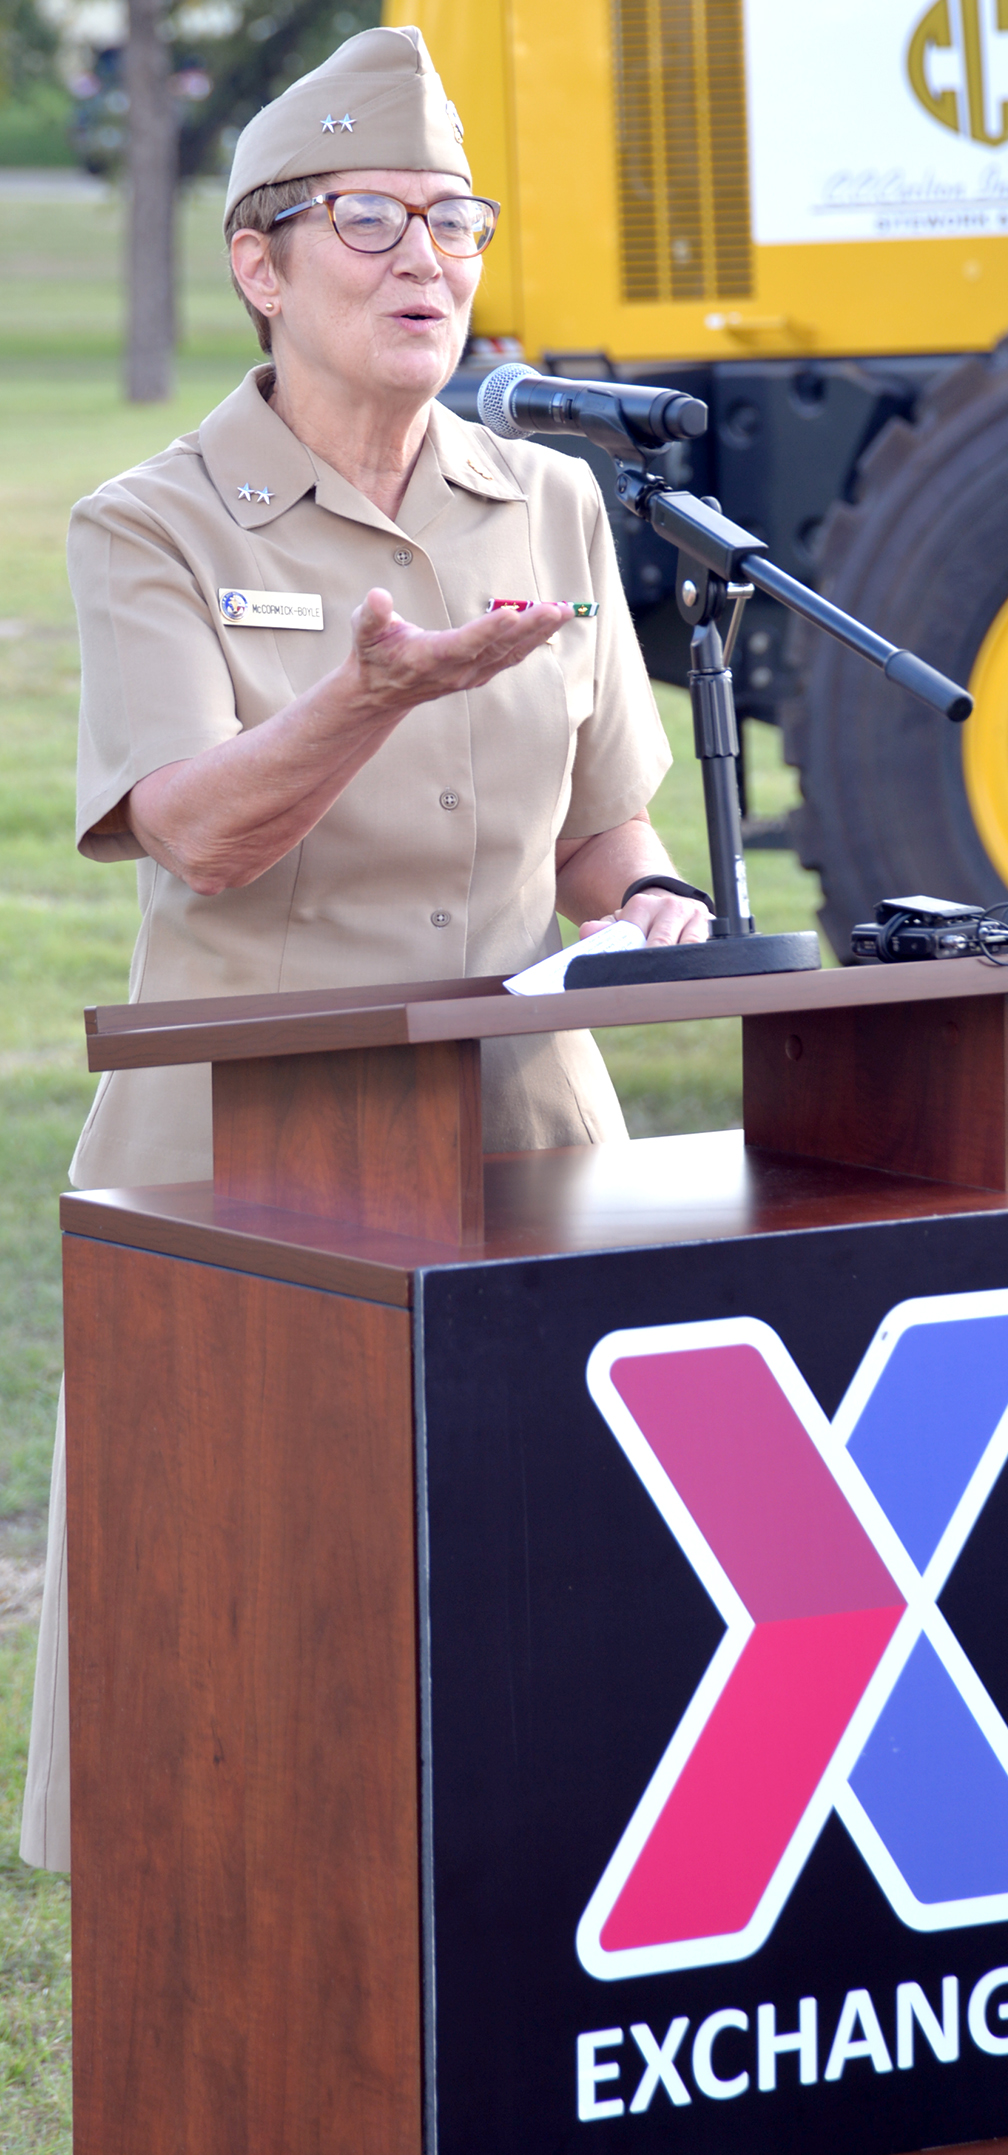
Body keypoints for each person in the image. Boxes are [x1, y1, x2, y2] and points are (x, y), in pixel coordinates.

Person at [20, 23, 710, 1873]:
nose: (429, 261)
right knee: (235, 1702)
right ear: (260, 262)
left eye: (457, 221)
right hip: (248, 1176)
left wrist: (656, 908)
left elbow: (600, 837)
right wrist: (371, 700)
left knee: (545, 1672)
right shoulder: (150, 522)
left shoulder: (548, 499)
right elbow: (203, 835)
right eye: (372, 221)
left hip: (523, 1155)